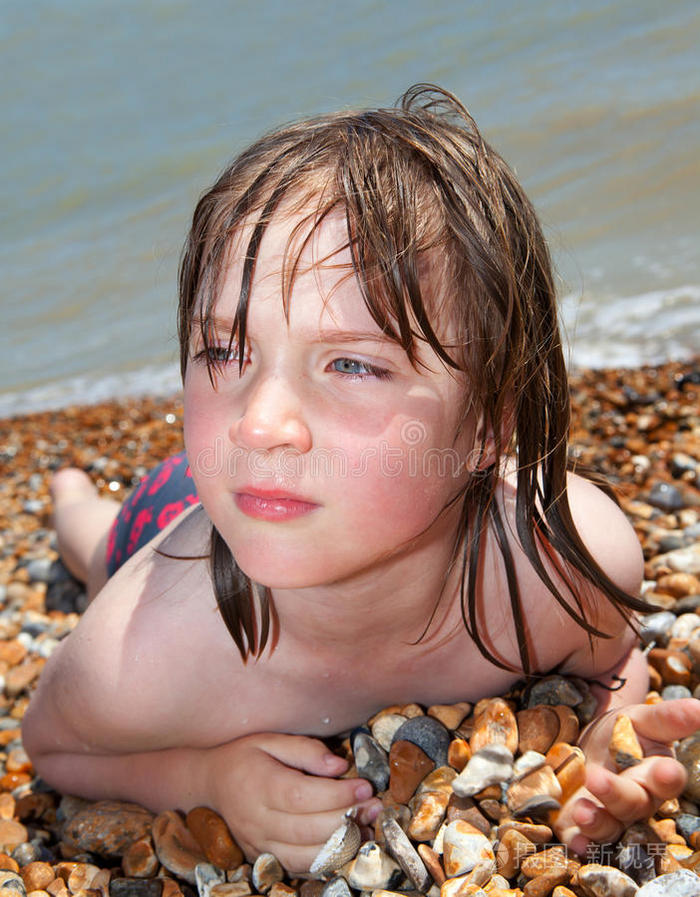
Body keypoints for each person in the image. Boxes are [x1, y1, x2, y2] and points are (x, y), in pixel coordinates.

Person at [22, 84, 700, 875]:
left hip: (267, 496)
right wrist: (204, 776)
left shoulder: (554, 565)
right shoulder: (149, 649)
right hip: (175, 514)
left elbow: (615, 654)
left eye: (350, 363)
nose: (260, 420)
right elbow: (55, 745)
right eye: (223, 352)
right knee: (98, 543)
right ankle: (73, 494)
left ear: (490, 426)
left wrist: (605, 738)